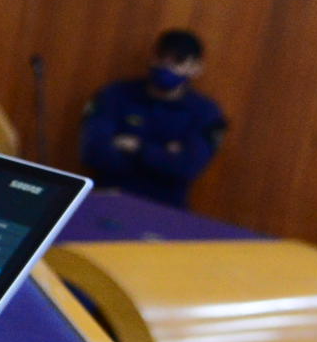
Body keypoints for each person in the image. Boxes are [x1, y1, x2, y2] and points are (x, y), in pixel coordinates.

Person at [82, 28, 228, 209]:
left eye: (178, 61)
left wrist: (136, 147)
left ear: (196, 68)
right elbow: (94, 153)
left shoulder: (206, 112)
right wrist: (165, 153)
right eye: (161, 57)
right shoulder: (115, 95)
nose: (166, 67)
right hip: (110, 197)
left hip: (166, 207)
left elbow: (188, 168)